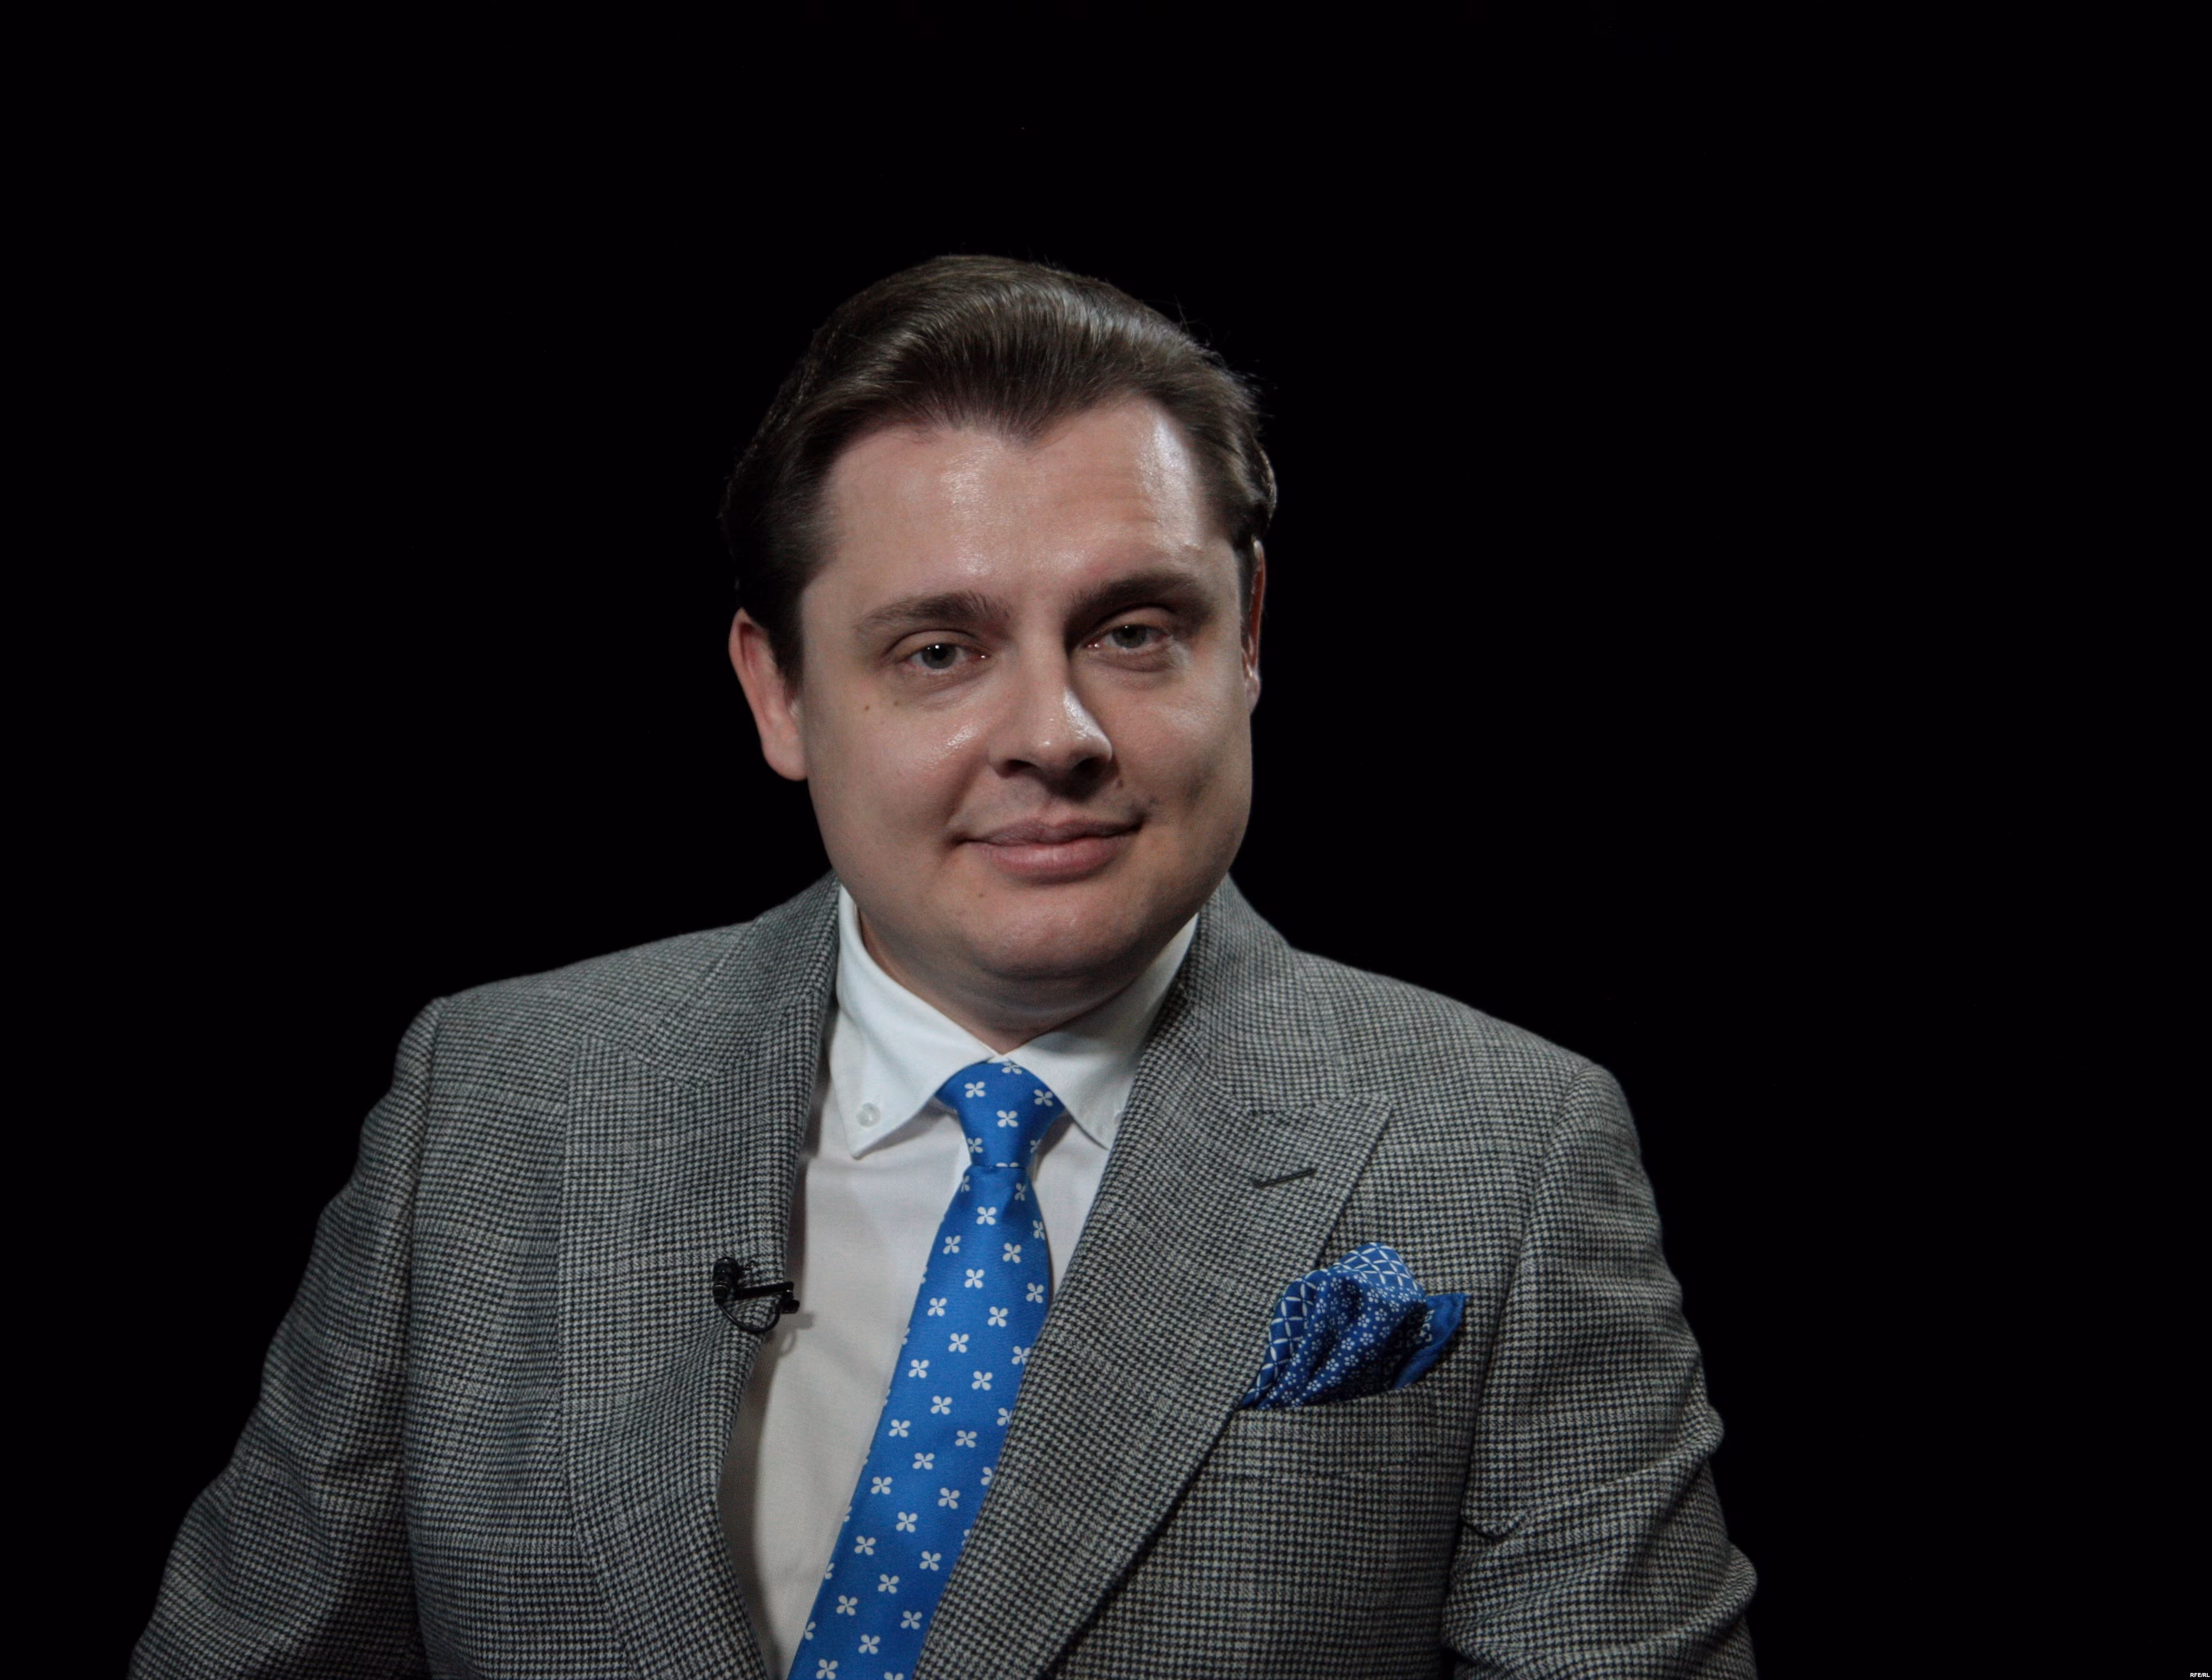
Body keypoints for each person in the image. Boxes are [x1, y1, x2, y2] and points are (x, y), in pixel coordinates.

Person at [132, 255, 1757, 1679]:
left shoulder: (1513, 1158)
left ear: (1250, 633)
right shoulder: (490, 1105)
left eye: (1134, 631)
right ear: (778, 693)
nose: (1054, 733)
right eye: (940, 651)